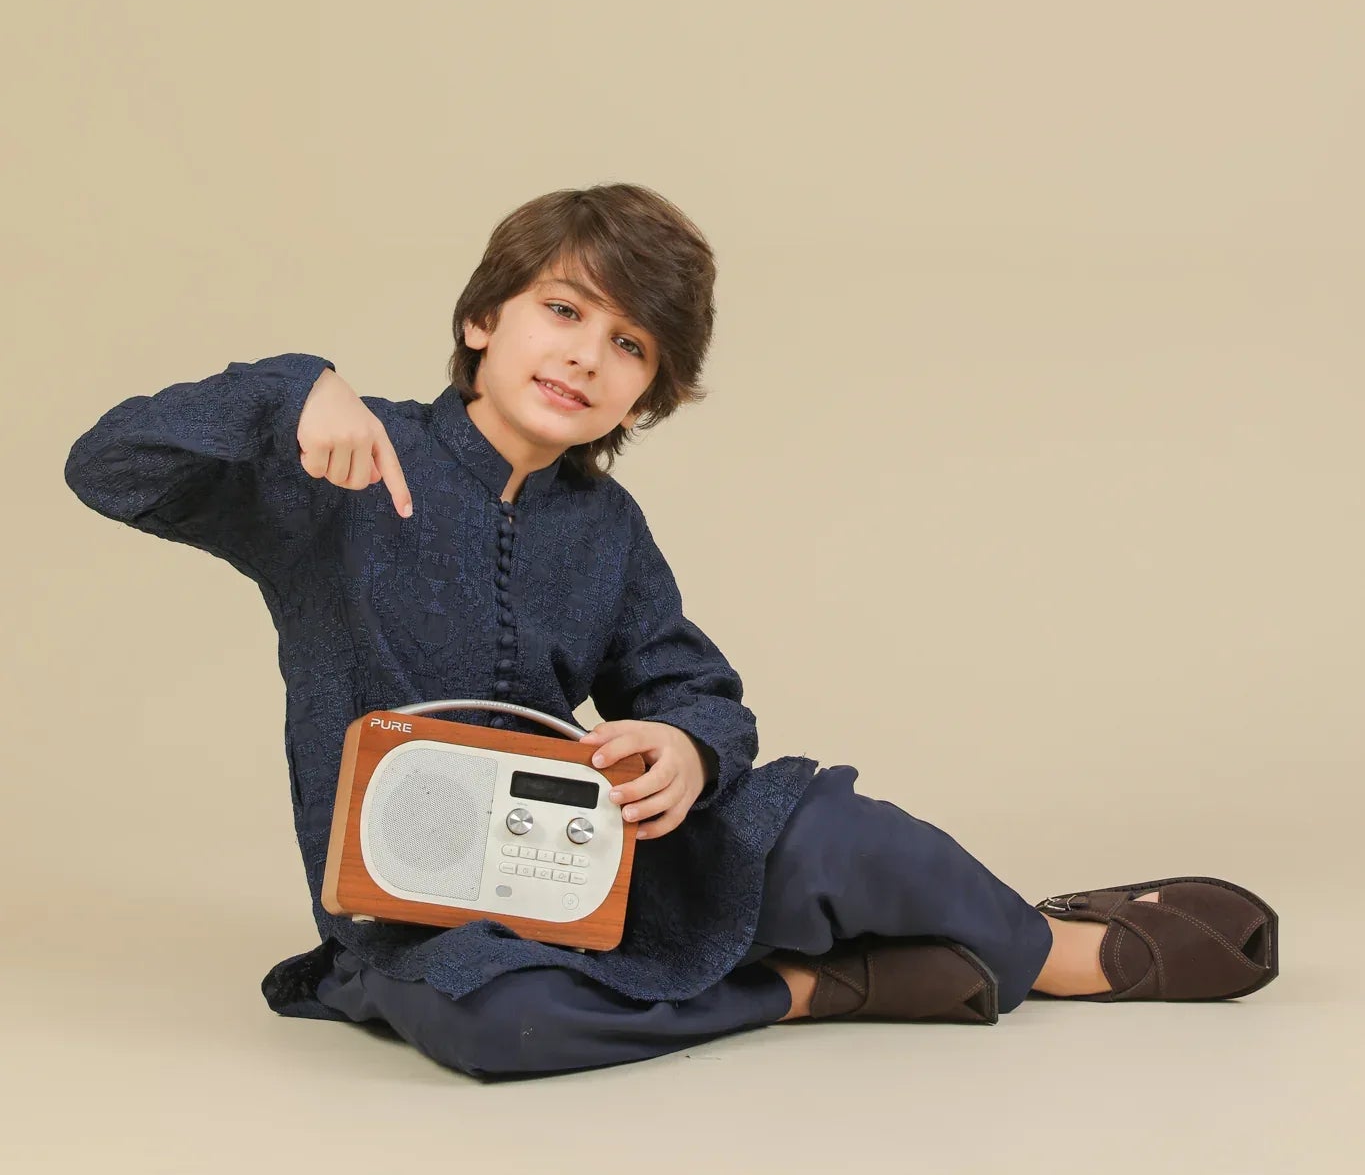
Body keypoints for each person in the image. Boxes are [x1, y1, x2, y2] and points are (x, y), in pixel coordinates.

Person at [63, 182, 1278, 1080]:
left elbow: (693, 686)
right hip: (425, 914)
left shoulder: (607, 525)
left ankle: (1051, 938)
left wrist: (690, 749)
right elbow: (107, 463)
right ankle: (810, 989)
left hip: (604, 865)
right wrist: (290, 387)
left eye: (629, 343)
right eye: (563, 309)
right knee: (497, 1025)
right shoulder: (342, 461)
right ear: (486, 319)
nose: (588, 355)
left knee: (846, 832)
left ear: (650, 391)